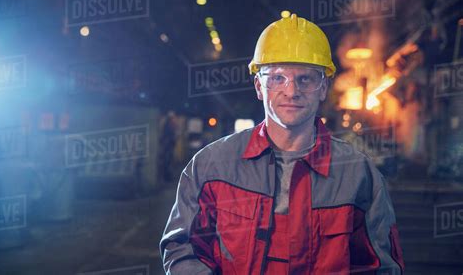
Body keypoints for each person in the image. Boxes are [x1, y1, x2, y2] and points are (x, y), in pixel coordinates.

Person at [159, 14, 404, 274]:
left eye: (305, 79)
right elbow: (183, 249)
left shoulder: (357, 175)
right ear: (259, 86)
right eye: (277, 78)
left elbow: (380, 267)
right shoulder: (212, 166)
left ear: (323, 88)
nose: (291, 91)